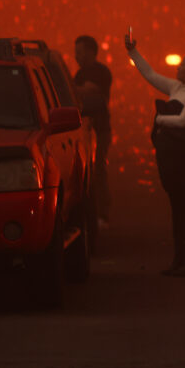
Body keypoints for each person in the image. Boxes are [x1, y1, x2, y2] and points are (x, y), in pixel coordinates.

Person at [125, 32, 185, 277]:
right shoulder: (177, 87)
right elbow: (150, 75)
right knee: (178, 209)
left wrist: (160, 119)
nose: (178, 68)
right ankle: (179, 258)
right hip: (174, 160)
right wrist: (133, 52)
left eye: (183, 65)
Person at [73, 35, 113, 227]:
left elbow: (89, 90)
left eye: (79, 52)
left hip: (101, 128)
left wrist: (75, 89)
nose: (76, 56)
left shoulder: (102, 72)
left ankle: (102, 214)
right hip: (84, 129)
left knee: (99, 170)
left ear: (91, 51)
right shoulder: (79, 75)